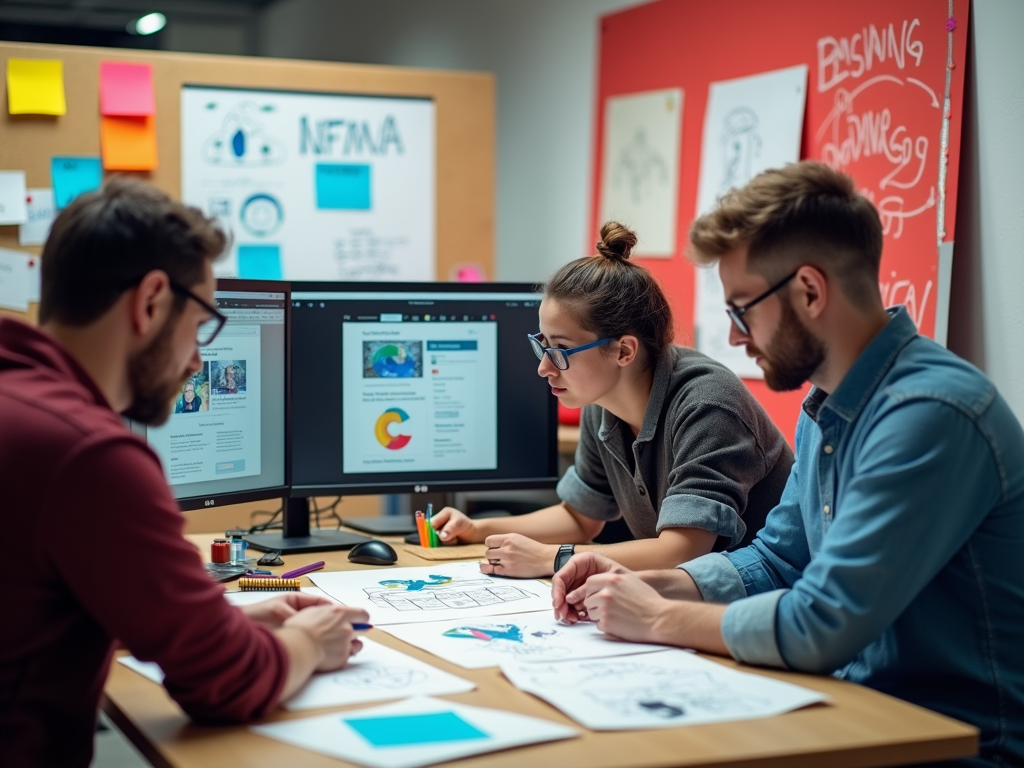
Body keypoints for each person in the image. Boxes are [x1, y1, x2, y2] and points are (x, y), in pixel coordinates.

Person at [552, 161, 1024, 766]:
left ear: (808, 290)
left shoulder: (929, 416)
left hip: (953, 741)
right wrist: (644, 581)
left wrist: (662, 617)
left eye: (742, 309)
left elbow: (821, 621)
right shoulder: (826, 404)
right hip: (853, 712)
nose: (736, 336)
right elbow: (778, 558)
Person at [0, 178, 368, 767]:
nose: (198, 359)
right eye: (199, 327)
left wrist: (223, 621)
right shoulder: (87, 455)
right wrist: (308, 642)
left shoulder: (19, 402)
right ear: (149, 301)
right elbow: (225, 685)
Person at [430, 221, 794, 578]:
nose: (544, 367)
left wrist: (551, 558)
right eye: (542, 345)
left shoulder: (707, 405)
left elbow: (682, 549)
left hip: (762, 600)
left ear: (623, 350)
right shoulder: (600, 404)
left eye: (561, 349)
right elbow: (580, 518)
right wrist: (477, 529)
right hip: (688, 594)